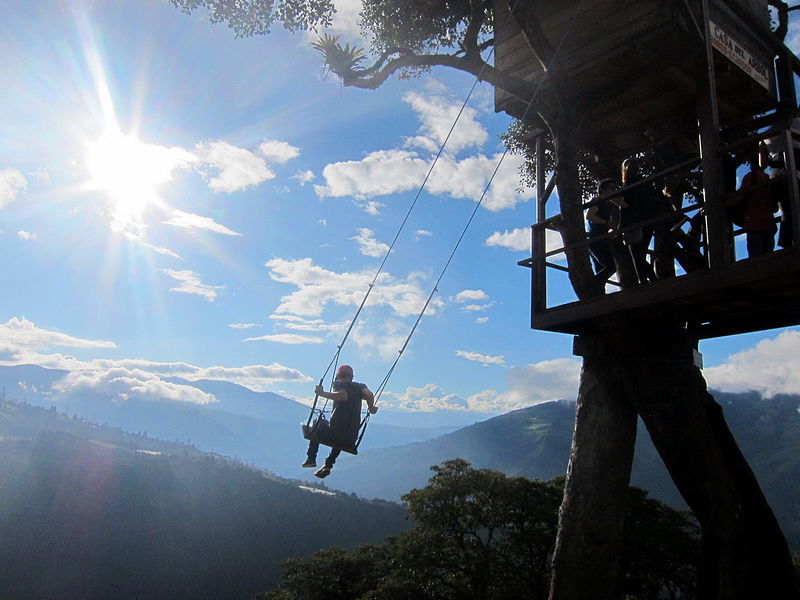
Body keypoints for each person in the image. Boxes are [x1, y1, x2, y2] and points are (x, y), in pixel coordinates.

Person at [302, 364, 377, 479]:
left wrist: (322, 393)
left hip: (333, 435)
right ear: (352, 376)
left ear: (338, 376)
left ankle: (311, 458)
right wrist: (371, 408)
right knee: (342, 436)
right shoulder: (360, 387)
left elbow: (343, 396)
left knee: (318, 421)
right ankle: (328, 465)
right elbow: (369, 395)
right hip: (350, 439)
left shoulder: (338, 384)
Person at [739, 159, 778, 257]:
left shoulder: (749, 177)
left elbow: (741, 197)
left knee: (756, 260)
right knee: (769, 258)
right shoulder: (769, 178)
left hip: (753, 223)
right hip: (769, 223)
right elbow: (775, 208)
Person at [586, 178, 621, 287]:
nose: (613, 190)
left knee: (601, 268)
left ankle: (597, 288)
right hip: (596, 239)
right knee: (611, 266)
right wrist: (606, 223)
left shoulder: (608, 204)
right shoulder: (599, 201)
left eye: (615, 188)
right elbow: (590, 216)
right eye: (611, 188)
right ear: (602, 189)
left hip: (601, 238)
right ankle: (593, 284)